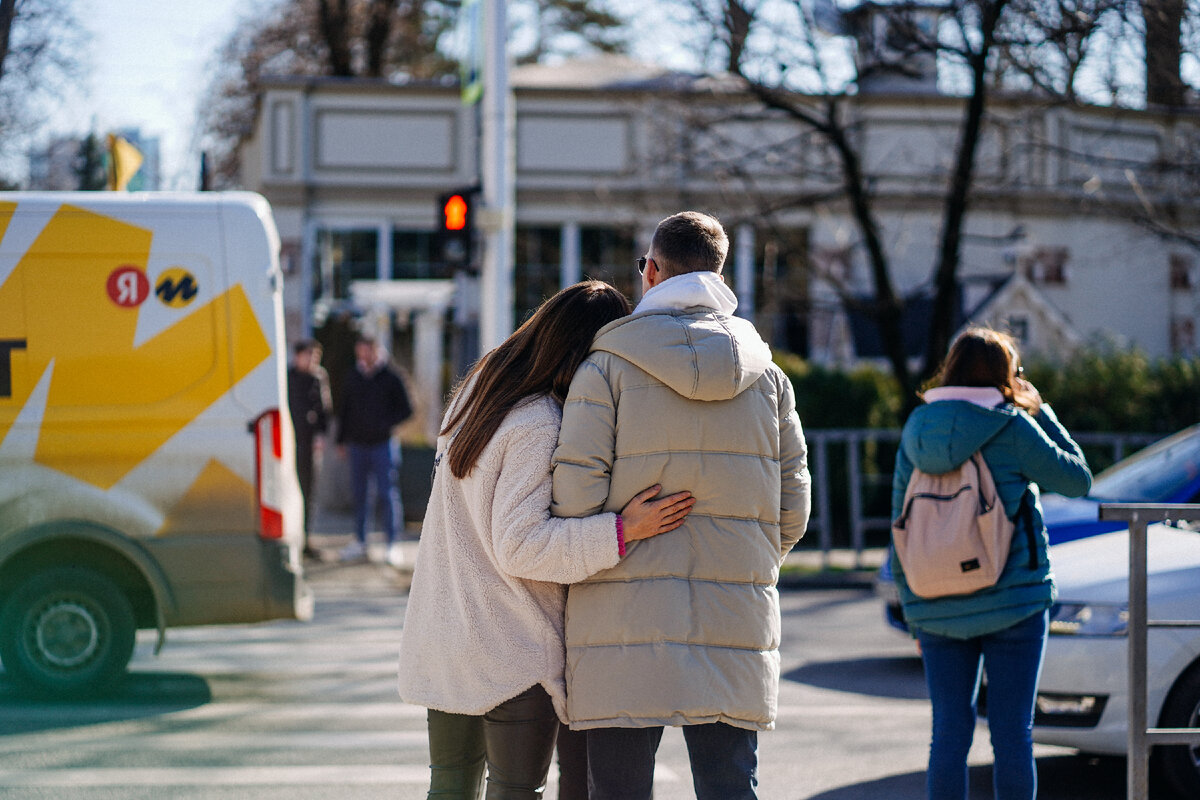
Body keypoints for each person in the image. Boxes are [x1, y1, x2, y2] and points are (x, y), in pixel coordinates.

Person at [396, 281, 696, 800]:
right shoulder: (539, 421)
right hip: (510, 648)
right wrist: (623, 531)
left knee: (448, 788)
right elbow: (522, 545)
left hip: (447, 640)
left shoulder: (476, 396)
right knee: (515, 791)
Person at [550, 211, 812, 800]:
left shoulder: (608, 365)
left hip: (620, 617)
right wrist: (740, 558)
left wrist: (622, 531)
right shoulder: (768, 377)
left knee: (618, 791)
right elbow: (793, 512)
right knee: (729, 788)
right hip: (734, 618)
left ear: (652, 272)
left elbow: (574, 501)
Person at [889, 327, 1092, 800]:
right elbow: (1078, 478)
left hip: (934, 604)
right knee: (1012, 735)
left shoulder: (917, 428)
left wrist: (914, 610)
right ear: (1007, 377)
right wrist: (1042, 411)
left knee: (949, 736)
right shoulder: (1012, 426)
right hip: (1014, 601)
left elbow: (899, 524)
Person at [336, 334, 413, 566]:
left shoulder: (391, 377)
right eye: (360, 351)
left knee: (387, 494)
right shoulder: (352, 377)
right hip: (358, 445)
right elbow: (344, 410)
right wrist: (341, 441)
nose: (363, 355)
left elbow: (407, 409)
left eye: (367, 351)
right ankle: (360, 541)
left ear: (375, 351)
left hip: (383, 445)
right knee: (360, 495)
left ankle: (392, 544)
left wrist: (386, 424)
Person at [287, 339, 332, 559]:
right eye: (309, 355)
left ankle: (306, 537)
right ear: (297, 356)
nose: (313, 361)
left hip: (309, 443)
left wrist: (321, 435)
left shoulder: (318, 378)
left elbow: (324, 410)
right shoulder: (287, 378)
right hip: (289, 442)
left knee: (308, 491)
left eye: (315, 357)